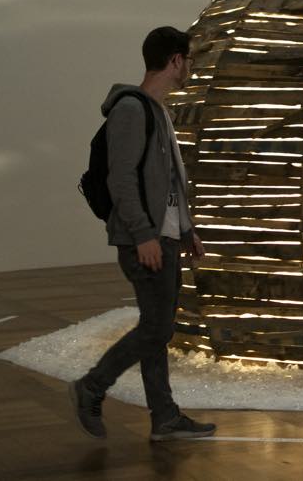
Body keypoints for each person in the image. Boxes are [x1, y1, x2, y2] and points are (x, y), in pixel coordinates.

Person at [70, 26, 215, 442]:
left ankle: (164, 417)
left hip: (163, 237)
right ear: (175, 60)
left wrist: (185, 229)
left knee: (157, 328)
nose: (190, 68)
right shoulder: (131, 110)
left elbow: (168, 182)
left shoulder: (158, 112)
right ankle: (92, 386)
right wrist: (144, 235)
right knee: (156, 329)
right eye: (189, 60)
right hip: (145, 240)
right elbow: (122, 180)